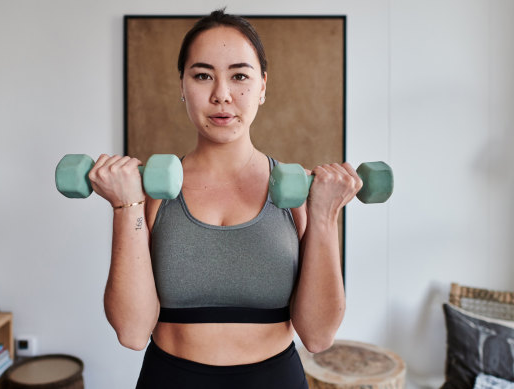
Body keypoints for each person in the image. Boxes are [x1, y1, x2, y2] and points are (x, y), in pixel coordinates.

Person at [89, 9, 362, 389]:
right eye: (202, 75)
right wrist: (124, 206)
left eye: (239, 76)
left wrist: (325, 215)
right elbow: (132, 332)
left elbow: (317, 336)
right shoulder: (151, 195)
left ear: (262, 86)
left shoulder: (295, 195)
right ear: (182, 85)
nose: (221, 95)